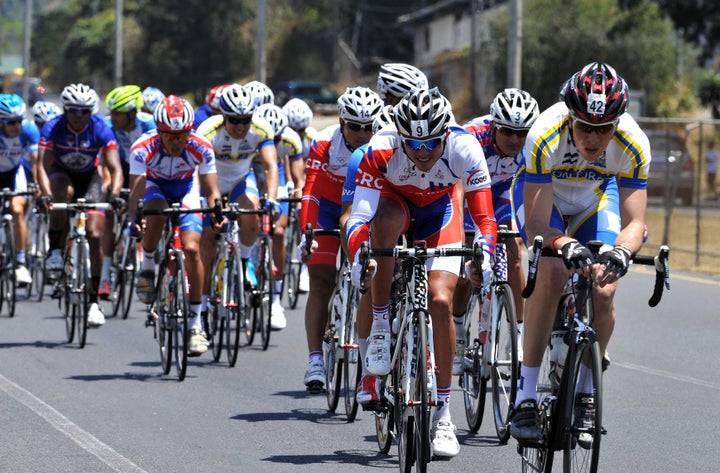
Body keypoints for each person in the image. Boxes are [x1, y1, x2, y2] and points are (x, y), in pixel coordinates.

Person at [345, 87, 497, 458]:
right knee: (382, 227)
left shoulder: (464, 149)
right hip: (395, 207)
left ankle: (443, 415)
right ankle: (381, 327)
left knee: (441, 302)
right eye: (415, 144)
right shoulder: (380, 150)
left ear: (445, 134)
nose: (424, 152)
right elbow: (359, 216)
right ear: (401, 138)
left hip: (440, 213)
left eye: (432, 143)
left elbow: (485, 219)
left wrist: (484, 254)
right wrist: (357, 255)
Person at [507, 62, 651, 444]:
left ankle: (587, 391)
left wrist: (621, 252)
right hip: (543, 199)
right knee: (552, 275)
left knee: (603, 285)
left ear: (617, 123)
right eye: (584, 126)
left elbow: (635, 223)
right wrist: (563, 243)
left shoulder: (634, 143)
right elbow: (538, 225)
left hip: (594, 198)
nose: (592, 137)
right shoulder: (544, 134)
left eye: (603, 129)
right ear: (570, 116)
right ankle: (524, 396)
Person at [300, 86, 383, 393]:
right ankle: (315, 359)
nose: (361, 134)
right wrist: (307, 232)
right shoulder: (324, 142)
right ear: (341, 122)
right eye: (353, 127)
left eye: (367, 127)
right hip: (328, 208)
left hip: (361, 209)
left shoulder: (383, 143)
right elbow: (310, 190)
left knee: (370, 273)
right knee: (321, 279)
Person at [451, 88, 539, 375]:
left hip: (502, 193)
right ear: (494, 126)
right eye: (508, 132)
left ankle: (516, 339)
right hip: (469, 193)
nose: (515, 140)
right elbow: (458, 189)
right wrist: (466, 232)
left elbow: (531, 190)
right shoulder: (472, 136)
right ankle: (459, 331)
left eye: (521, 133)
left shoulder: (533, 145)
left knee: (515, 255)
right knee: (466, 264)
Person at [130, 95, 222, 357]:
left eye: (180, 135)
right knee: (156, 212)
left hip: (187, 189)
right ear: (158, 132)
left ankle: (195, 325)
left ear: (189, 131)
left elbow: (211, 189)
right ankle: (148, 264)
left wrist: (216, 214)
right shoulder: (142, 147)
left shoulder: (201, 146)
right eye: (168, 136)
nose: (175, 141)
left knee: (193, 250)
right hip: (154, 187)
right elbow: (136, 195)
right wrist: (135, 219)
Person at [38, 83, 124, 327]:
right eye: (73, 111)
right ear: (65, 110)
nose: (78, 117)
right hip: (61, 174)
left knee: (95, 233)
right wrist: (45, 195)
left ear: (91, 112)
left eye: (84, 111)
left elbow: (115, 169)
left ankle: (94, 301)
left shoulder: (101, 128)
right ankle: (55, 249)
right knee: (61, 194)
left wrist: (115, 194)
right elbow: (42, 167)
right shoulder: (52, 127)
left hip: (91, 178)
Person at [196, 84, 279, 330]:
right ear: (223, 117)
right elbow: (197, 170)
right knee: (208, 240)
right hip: (209, 181)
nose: (241, 126)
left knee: (252, 212)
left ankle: (243, 261)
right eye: (234, 120)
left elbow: (270, 166)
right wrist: (209, 205)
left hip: (240, 181)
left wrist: (272, 199)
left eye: (246, 120)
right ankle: (199, 308)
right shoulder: (208, 130)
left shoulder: (261, 129)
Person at [337, 104, 395, 406]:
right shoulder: (362, 158)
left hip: (411, 217)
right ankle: (366, 370)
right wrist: (360, 253)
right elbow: (349, 215)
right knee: (371, 287)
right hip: (375, 220)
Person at [98, 85, 156, 299]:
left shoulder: (149, 124)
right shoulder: (106, 125)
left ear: (132, 113)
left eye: (117, 114)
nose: (112, 117)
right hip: (119, 166)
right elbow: (103, 159)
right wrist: (107, 182)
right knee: (109, 214)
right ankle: (104, 276)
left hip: (146, 170)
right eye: (111, 112)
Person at [253, 103, 303, 329]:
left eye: (277, 139)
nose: (272, 144)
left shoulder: (291, 139)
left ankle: (275, 299)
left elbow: (298, 177)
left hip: (278, 178)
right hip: (251, 174)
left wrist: (299, 198)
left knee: (279, 231)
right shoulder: (252, 136)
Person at [0, 93, 40, 286]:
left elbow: (36, 163)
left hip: (15, 173)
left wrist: (37, 185)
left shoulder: (29, 130)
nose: (16, 126)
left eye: (19, 121)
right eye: (10, 122)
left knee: (17, 210)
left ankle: (21, 263)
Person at [282, 97, 316, 293]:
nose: (298, 135)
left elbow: (313, 170)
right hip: (290, 177)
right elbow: (285, 163)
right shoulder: (284, 138)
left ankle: (304, 267)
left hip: (306, 177)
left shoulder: (313, 139)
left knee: (304, 215)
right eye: (294, 131)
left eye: (301, 131)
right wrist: (290, 184)